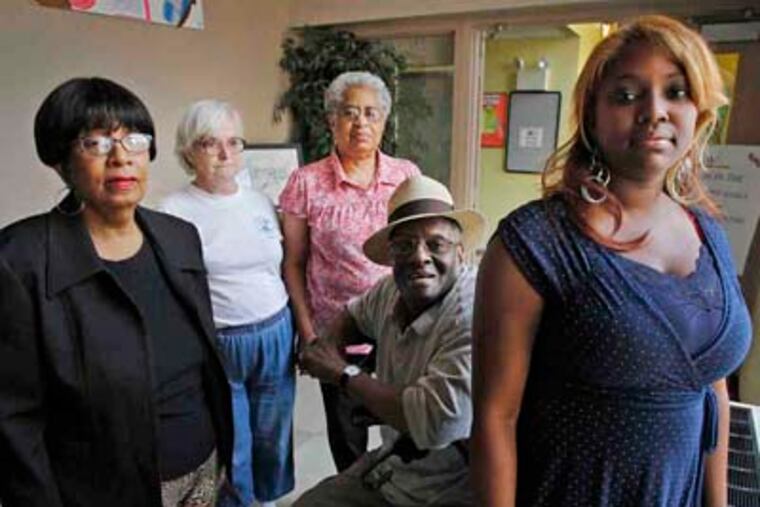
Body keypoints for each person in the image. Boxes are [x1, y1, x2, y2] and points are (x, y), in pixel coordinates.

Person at [471, 15, 752, 507]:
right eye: (626, 95)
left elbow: (714, 389)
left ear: (700, 112)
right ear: (591, 115)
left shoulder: (707, 231)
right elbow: (496, 418)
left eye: (676, 92)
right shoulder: (536, 242)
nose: (654, 112)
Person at [0, 77, 233, 507]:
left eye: (135, 140)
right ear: (61, 160)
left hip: (203, 469)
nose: (122, 158)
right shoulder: (20, 260)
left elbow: (204, 364)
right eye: (98, 144)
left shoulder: (179, 237)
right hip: (103, 490)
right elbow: (13, 420)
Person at [294, 175, 486, 506]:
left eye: (436, 244)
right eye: (405, 246)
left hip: (450, 487)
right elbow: (354, 314)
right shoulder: (392, 289)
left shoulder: (472, 313)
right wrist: (327, 347)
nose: (419, 256)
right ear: (391, 255)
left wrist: (344, 375)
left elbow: (434, 424)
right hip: (398, 465)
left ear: (461, 252)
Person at [279, 71, 421, 471]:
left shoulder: (406, 175)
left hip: (401, 328)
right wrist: (310, 336)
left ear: (384, 121)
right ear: (332, 120)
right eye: (350, 113)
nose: (361, 123)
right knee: (348, 441)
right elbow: (294, 263)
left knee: (407, 430)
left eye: (371, 113)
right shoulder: (306, 182)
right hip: (338, 331)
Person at [159, 100, 294, 507]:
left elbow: (281, 266)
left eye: (234, 142)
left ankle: (266, 500)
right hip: (221, 342)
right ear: (187, 151)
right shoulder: (174, 212)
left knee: (273, 433)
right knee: (233, 437)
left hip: (275, 329)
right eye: (210, 143)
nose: (225, 154)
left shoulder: (259, 201)